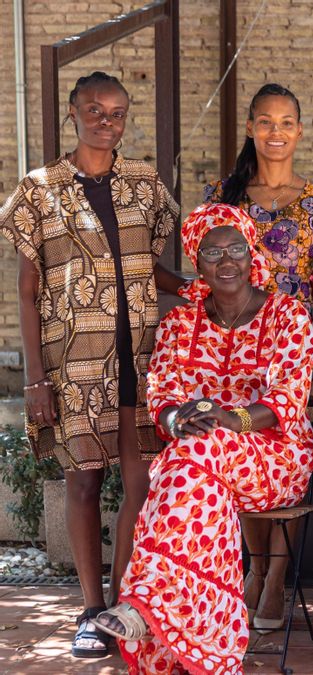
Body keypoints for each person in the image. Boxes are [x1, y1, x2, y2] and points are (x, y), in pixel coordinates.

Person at [0, 71, 184, 659]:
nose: (107, 121)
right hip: (73, 363)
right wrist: (34, 378)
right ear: (73, 113)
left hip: (144, 358)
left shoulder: (145, 184)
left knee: (141, 483)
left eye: (117, 112)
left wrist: (197, 288)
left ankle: (122, 605)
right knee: (83, 480)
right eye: (94, 110)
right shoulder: (38, 191)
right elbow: (27, 291)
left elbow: (148, 266)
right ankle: (88, 608)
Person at [91, 203, 313, 674]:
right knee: (198, 474)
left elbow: (288, 399)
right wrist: (175, 419)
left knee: (189, 455)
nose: (226, 260)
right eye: (213, 252)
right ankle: (162, 618)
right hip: (202, 468)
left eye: (236, 249)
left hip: (276, 456)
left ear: (252, 254)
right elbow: (163, 390)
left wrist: (228, 420)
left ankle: (147, 604)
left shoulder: (287, 315)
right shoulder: (180, 323)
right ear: (197, 261)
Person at [205, 82, 313, 632]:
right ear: (251, 128)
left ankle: (276, 576)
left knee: (289, 460)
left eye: (286, 123)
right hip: (235, 350)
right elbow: (209, 278)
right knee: (242, 456)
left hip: (294, 351)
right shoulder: (225, 197)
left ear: (300, 130)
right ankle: (255, 567)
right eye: (265, 122)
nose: (276, 132)